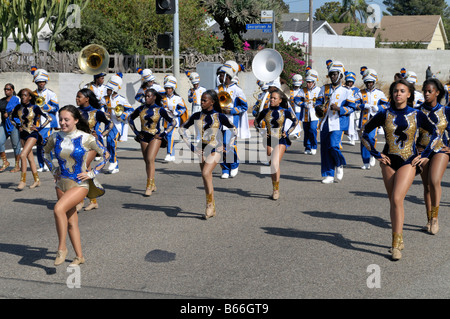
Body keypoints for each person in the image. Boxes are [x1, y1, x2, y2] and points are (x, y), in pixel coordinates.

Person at [361, 79, 439, 260]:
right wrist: (375, 154)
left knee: (397, 198)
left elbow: (435, 132)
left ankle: (395, 245)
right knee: (394, 202)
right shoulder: (384, 113)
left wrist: (426, 153)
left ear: (409, 94)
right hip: (388, 161)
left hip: (409, 161)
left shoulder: (417, 114)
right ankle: (399, 237)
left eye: (402, 91)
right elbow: (365, 132)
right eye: (396, 91)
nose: (398, 94)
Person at [43, 105, 109, 267]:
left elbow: (106, 155)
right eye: (61, 119)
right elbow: (45, 153)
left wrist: (92, 173)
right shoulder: (55, 136)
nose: (63, 123)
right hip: (61, 183)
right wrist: (53, 169)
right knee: (71, 221)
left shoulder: (87, 138)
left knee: (58, 209)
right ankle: (79, 256)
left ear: (76, 120)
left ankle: (61, 248)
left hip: (80, 183)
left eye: (67, 119)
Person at [179, 90, 237, 219]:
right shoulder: (196, 115)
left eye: (205, 100)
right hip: (201, 148)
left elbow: (234, 129)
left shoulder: (220, 116)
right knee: (206, 178)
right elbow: (182, 128)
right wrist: (191, 145)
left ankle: (209, 206)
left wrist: (228, 145)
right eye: (201, 100)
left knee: (205, 172)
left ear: (212, 102)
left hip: (216, 148)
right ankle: (211, 205)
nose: (202, 102)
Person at [417, 78, 450, 235]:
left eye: (430, 91)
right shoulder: (417, 111)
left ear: (437, 93)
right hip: (423, 151)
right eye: (425, 91)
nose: (426, 94)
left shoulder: (445, 111)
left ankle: (435, 218)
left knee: (434, 180)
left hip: (440, 150)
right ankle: (429, 219)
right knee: (427, 187)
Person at [314, 60, 356, 184]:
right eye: (331, 74)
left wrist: (340, 109)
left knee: (333, 145)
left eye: (335, 74)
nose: (333, 76)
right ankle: (329, 175)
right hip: (325, 122)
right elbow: (318, 102)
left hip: (338, 122)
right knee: (325, 149)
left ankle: (339, 163)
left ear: (341, 75)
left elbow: (352, 107)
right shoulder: (324, 88)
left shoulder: (347, 91)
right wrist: (318, 107)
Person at [129, 88, 175, 196]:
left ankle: (148, 185)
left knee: (150, 159)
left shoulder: (160, 109)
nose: (146, 98)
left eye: (149, 96)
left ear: (154, 97)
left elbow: (173, 121)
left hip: (155, 137)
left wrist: (164, 134)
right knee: (147, 161)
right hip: (143, 137)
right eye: (145, 96)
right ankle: (153, 183)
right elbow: (130, 118)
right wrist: (136, 132)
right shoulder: (140, 109)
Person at [255, 88, 299, 200]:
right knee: (272, 166)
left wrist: (287, 132)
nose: (272, 100)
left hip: (281, 140)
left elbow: (296, 121)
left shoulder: (285, 111)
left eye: (275, 98)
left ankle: (276, 191)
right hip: (269, 140)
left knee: (275, 163)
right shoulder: (265, 112)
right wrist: (262, 132)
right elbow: (256, 122)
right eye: (271, 98)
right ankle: (274, 188)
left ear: (280, 100)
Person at [76, 88, 114, 211]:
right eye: (76, 96)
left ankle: (79, 200)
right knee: (86, 170)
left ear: (87, 99)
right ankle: (93, 200)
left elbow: (110, 123)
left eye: (79, 97)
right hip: (78, 145)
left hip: (93, 144)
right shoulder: (75, 112)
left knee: (81, 168)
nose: (76, 99)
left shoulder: (97, 112)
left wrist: (102, 134)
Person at [9, 88, 50, 190]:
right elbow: (11, 117)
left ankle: (22, 181)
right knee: (30, 158)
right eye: (22, 95)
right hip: (23, 134)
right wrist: (18, 125)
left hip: (33, 134)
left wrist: (39, 128)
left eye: (26, 95)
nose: (23, 97)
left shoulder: (35, 107)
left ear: (30, 97)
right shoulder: (18, 107)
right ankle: (37, 180)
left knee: (22, 155)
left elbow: (49, 118)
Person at [215, 60, 250, 179]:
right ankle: (225, 168)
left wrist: (232, 111)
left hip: (231, 122)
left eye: (222, 74)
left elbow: (244, 106)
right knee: (220, 145)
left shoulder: (237, 90)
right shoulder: (218, 89)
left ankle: (234, 164)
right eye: (220, 74)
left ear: (228, 76)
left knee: (229, 145)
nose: (220, 76)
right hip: (219, 121)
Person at [354, 67, 389, 169]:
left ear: (374, 82)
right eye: (367, 82)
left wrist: (377, 107)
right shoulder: (360, 93)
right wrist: (363, 106)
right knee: (364, 139)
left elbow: (386, 105)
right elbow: (354, 104)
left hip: (375, 119)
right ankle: (366, 162)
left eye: (371, 82)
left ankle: (372, 154)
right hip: (364, 119)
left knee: (371, 138)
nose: (369, 84)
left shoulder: (379, 93)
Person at [100, 73, 133, 174]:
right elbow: (100, 107)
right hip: (108, 124)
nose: (108, 90)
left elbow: (131, 110)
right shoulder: (105, 98)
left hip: (118, 125)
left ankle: (112, 161)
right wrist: (103, 113)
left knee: (111, 141)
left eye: (110, 89)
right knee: (109, 143)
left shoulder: (121, 99)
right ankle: (115, 164)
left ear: (115, 89)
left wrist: (122, 115)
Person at [31, 67, 59, 172]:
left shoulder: (51, 94)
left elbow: (56, 108)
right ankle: (41, 165)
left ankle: (48, 163)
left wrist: (45, 107)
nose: (41, 83)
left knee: (45, 144)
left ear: (45, 82)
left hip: (47, 122)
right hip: (36, 122)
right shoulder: (33, 94)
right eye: (39, 82)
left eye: (43, 81)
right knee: (38, 144)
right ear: (36, 83)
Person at [162, 75, 187, 162]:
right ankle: (172, 154)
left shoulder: (178, 98)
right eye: (166, 88)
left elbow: (183, 108)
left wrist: (177, 113)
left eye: (170, 88)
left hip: (174, 121)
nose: (168, 90)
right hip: (165, 121)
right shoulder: (162, 98)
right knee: (167, 136)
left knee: (170, 135)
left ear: (173, 88)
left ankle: (168, 153)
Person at [295, 68, 320, 155]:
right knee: (306, 131)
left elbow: (322, 101)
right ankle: (307, 146)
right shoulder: (302, 90)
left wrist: (317, 104)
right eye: (307, 82)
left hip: (315, 115)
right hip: (305, 115)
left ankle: (314, 146)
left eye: (310, 82)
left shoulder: (319, 90)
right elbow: (297, 99)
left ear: (314, 82)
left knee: (313, 129)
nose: (308, 84)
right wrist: (303, 104)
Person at [0, 83, 21, 172]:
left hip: (13, 124)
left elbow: (19, 109)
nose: (6, 91)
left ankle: (17, 165)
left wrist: (8, 113)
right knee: (0, 141)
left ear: (12, 90)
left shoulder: (16, 100)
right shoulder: (2, 101)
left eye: (8, 89)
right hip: (4, 124)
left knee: (16, 145)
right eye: (5, 89)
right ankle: (5, 162)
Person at [342, 71, 359, 146]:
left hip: (353, 110)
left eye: (351, 82)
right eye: (348, 81)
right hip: (345, 109)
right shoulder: (342, 88)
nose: (349, 83)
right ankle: (349, 137)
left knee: (353, 125)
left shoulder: (357, 90)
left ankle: (353, 138)